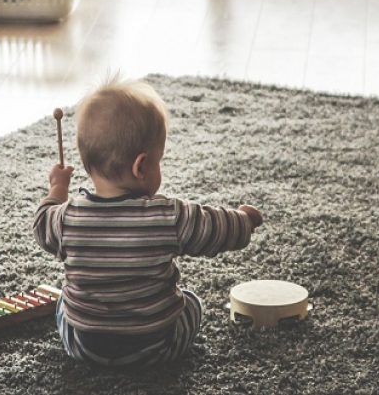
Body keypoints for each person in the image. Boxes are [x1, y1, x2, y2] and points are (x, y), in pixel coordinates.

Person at [33, 76, 263, 369]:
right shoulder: (167, 215)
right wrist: (245, 220)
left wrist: (57, 188)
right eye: (159, 161)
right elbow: (215, 227)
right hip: (156, 347)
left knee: (63, 304)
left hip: (85, 347)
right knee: (191, 303)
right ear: (140, 166)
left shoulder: (66, 218)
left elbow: (41, 225)